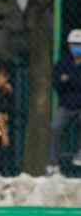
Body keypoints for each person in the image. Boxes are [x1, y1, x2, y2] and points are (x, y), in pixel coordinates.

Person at [45, 28, 81, 176]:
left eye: (78, 43)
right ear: (68, 45)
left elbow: (65, 82)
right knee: (55, 127)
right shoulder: (64, 62)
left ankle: (79, 153)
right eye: (73, 43)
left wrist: (69, 79)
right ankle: (52, 165)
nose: (76, 47)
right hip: (66, 104)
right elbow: (57, 83)